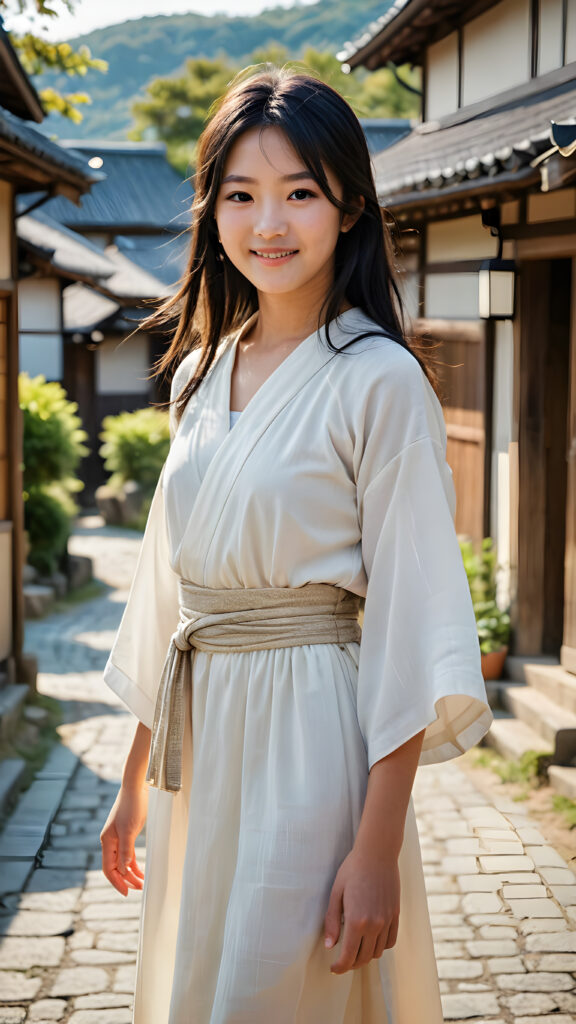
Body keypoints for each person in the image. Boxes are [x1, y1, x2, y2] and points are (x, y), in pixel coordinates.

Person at [100, 66, 493, 1024]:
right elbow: (169, 588)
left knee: (279, 993)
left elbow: (411, 616)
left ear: (350, 206)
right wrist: (131, 786)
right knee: (205, 984)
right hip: (207, 742)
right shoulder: (199, 371)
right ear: (213, 211)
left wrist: (377, 844)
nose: (267, 223)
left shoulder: (379, 380)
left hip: (315, 736)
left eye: (299, 193)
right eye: (241, 195)